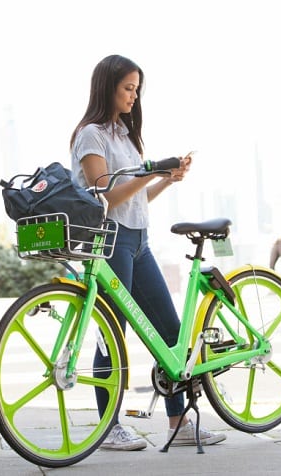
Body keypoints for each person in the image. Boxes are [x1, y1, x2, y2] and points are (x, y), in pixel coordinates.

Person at [69, 54, 226, 451]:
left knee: (169, 332)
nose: (133, 97)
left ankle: (179, 422)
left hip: (138, 241)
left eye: (137, 90)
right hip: (109, 240)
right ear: (107, 87)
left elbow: (136, 200)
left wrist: (165, 179)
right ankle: (109, 428)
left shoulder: (124, 134)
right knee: (113, 335)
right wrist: (148, 171)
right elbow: (106, 195)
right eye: (127, 88)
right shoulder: (92, 134)